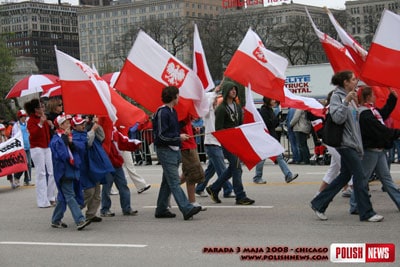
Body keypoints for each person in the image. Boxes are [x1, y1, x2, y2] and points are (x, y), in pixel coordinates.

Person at [310, 70, 383, 222]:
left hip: (352, 144)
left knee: (344, 176)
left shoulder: (351, 97)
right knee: (360, 176)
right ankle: (366, 212)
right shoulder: (338, 97)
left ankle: (319, 203)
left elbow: (355, 125)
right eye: (353, 79)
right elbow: (338, 118)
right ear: (345, 82)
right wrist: (345, 102)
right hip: (345, 144)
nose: (356, 81)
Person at [152, 86, 202, 220]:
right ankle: (186, 208)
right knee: (174, 181)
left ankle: (161, 209)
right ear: (174, 97)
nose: (179, 98)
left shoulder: (172, 112)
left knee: (167, 181)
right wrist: (178, 138)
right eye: (178, 96)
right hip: (166, 150)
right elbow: (161, 136)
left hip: (173, 150)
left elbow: (173, 129)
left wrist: (187, 123)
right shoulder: (163, 112)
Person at [349, 86, 400, 213]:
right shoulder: (365, 113)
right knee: (364, 179)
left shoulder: (369, 111)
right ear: (367, 97)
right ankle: (355, 205)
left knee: (385, 179)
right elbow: (380, 130)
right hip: (370, 151)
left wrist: (392, 99)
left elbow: (384, 114)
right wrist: (397, 133)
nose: (375, 96)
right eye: (373, 95)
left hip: (377, 150)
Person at [206, 81, 255, 205]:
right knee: (237, 168)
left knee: (234, 167)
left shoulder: (237, 107)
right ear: (227, 91)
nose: (234, 91)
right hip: (227, 144)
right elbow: (219, 129)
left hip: (236, 142)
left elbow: (239, 124)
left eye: (235, 89)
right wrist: (228, 136)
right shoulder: (221, 109)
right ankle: (240, 196)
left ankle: (214, 188)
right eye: (231, 89)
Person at [49, 114, 91, 230]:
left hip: (73, 169)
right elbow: (62, 155)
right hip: (64, 171)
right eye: (67, 123)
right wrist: (65, 141)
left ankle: (56, 220)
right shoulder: (56, 139)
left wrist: (71, 143)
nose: (69, 125)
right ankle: (80, 220)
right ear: (61, 125)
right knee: (70, 195)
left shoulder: (69, 136)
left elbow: (81, 149)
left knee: (63, 196)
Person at [72, 115, 113, 223]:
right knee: (89, 192)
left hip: (94, 166)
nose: (82, 125)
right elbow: (87, 144)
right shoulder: (74, 136)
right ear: (74, 127)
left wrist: (97, 125)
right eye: (79, 124)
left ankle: (91, 214)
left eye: (82, 123)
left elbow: (101, 137)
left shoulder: (86, 132)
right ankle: (76, 209)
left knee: (96, 193)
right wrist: (93, 129)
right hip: (84, 168)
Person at [195, 90, 234, 198]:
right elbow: (208, 104)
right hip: (211, 143)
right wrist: (214, 92)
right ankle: (228, 189)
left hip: (218, 143)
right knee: (222, 168)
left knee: (211, 170)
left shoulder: (218, 112)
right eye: (215, 100)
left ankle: (199, 188)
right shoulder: (207, 113)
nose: (216, 101)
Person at [98, 117, 140, 217]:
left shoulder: (114, 130)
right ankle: (105, 209)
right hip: (107, 163)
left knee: (123, 186)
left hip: (116, 163)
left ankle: (126, 208)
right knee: (107, 188)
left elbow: (123, 141)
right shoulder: (101, 130)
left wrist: (135, 143)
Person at [253, 97, 298, 184]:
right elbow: (268, 124)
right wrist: (277, 119)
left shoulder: (270, 110)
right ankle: (257, 177)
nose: (274, 101)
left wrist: (278, 119)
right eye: (272, 99)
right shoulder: (264, 111)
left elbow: (273, 123)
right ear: (268, 101)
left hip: (271, 137)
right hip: (267, 137)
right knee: (262, 158)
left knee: (279, 156)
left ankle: (288, 175)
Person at [24, 99, 56, 208]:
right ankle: (42, 200)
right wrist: (41, 123)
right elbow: (33, 134)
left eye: (43, 106)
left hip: (47, 147)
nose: (43, 108)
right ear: (36, 109)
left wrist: (50, 125)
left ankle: (51, 196)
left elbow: (48, 133)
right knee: (41, 173)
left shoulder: (44, 118)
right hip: (37, 148)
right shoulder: (31, 120)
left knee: (51, 172)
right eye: (41, 107)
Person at [179, 115, 206, 211]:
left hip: (190, 144)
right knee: (192, 174)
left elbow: (187, 126)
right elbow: (174, 128)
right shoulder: (179, 113)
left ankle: (168, 192)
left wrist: (194, 130)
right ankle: (192, 201)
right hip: (186, 147)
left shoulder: (184, 113)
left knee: (186, 175)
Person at [12, 109, 34, 187]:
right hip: (21, 147)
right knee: (24, 164)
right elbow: (14, 136)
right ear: (20, 117)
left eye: (25, 116)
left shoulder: (27, 124)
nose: (25, 118)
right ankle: (16, 177)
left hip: (28, 146)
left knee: (29, 164)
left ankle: (27, 180)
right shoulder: (16, 125)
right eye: (23, 116)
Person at [0, 123, 15, 188]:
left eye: (3, 130)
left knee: (9, 169)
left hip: (5, 156)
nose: (3, 131)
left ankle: (12, 182)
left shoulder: (5, 137)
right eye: (2, 130)